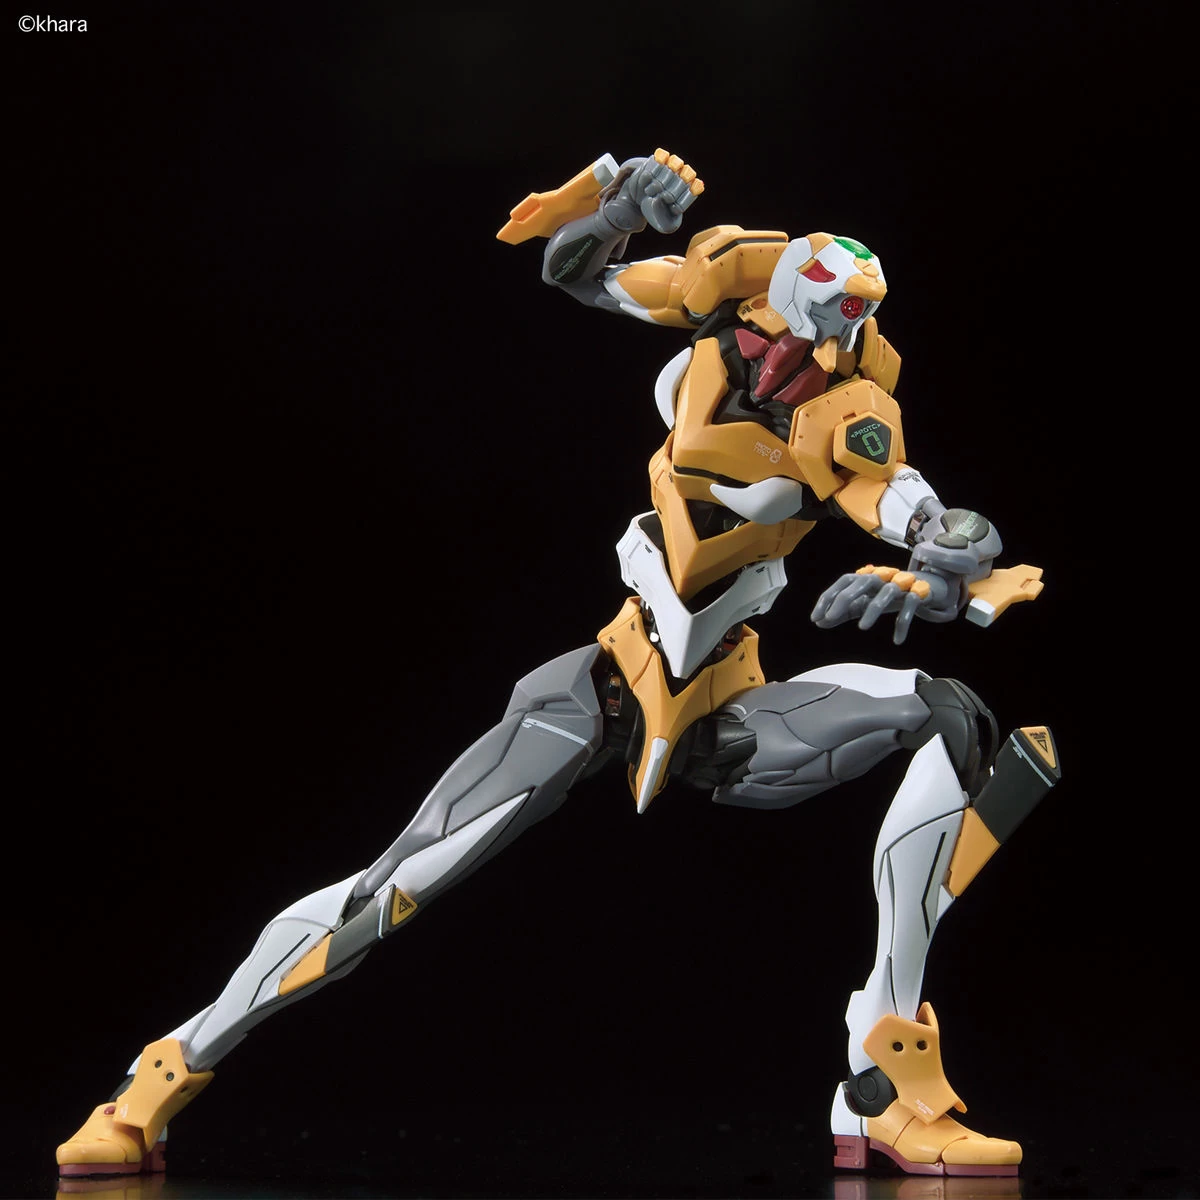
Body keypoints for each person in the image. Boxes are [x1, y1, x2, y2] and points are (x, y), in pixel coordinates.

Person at [56, 148, 1059, 1180]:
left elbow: (916, 509)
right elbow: (579, 272)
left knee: (947, 716)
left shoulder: (847, 419)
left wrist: (936, 568)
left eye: (843, 327)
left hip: (728, 708)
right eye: (809, 318)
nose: (815, 344)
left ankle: (883, 1084)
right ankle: (153, 1085)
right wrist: (614, 211)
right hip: (609, 683)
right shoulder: (722, 313)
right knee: (389, 888)